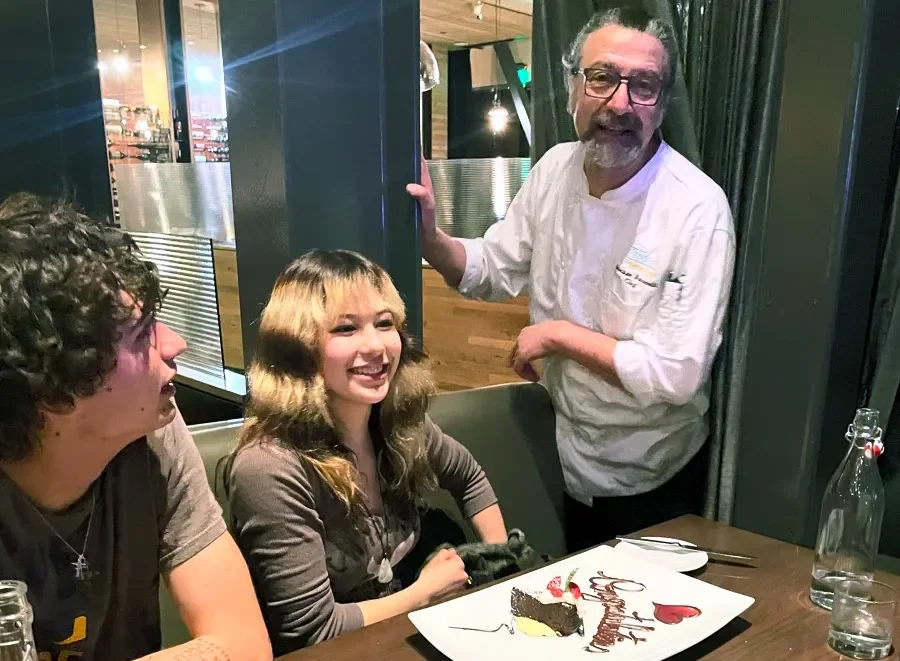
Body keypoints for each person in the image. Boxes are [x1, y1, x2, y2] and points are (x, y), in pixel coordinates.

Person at [407, 7, 736, 552]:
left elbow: (674, 374)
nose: (620, 104)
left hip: (653, 480)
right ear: (571, 88)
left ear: (661, 104)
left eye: (643, 85)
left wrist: (556, 335)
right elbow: (494, 266)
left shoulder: (697, 207)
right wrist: (430, 240)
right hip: (560, 457)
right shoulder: (553, 170)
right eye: (602, 77)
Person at [0, 193, 272, 661]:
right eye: (143, 333)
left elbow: (244, 645)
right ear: (58, 391)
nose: (176, 344)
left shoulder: (153, 434)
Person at [227, 249, 507, 655]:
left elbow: (470, 478)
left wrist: (499, 563)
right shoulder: (270, 467)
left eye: (384, 323)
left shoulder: (398, 424)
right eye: (346, 328)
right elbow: (313, 630)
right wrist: (424, 593)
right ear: (297, 347)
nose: (376, 346)